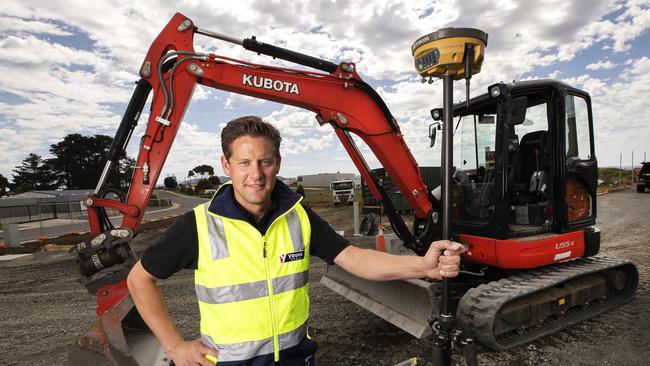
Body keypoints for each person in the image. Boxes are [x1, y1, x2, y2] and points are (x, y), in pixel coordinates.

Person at [127, 116, 465, 366]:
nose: (255, 174)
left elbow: (354, 259)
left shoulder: (300, 216)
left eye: (265, 162)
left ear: (278, 164)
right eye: (244, 163)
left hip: (295, 358)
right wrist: (175, 347)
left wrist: (423, 265)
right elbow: (139, 279)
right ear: (226, 165)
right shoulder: (199, 225)